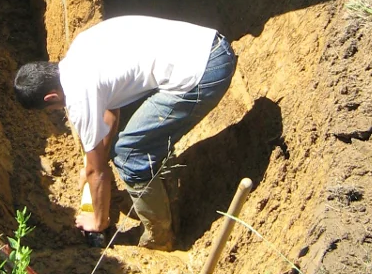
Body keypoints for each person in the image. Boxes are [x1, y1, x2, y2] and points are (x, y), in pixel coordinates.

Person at [13, 15, 237, 250]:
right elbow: (111, 112)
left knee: (129, 152)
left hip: (203, 73)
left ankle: (161, 236)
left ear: (51, 97)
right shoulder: (79, 50)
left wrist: (98, 221)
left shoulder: (79, 97)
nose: (58, 110)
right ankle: (160, 193)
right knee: (129, 146)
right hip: (208, 44)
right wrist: (96, 162)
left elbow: (97, 171)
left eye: (52, 108)